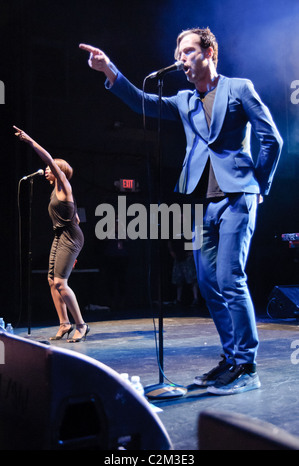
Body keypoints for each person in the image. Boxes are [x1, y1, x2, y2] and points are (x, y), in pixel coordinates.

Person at [79, 26, 283, 394]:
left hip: (238, 196)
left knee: (230, 279)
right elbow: (142, 101)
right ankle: (230, 357)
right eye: (179, 53)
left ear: (209, 53)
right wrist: (110, 70)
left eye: (188, 51)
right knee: (207, 283)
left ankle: (247, 365)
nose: (181, 59)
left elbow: (272, 138)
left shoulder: (239, 89)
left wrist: (259, 186)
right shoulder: (184, 100)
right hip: (205, 203)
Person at [14, 126, 89, 343]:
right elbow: (74, 217)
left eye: (50, 167)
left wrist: (29, 140)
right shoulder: (56, 191)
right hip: (61, 236)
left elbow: (48, 157)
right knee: (50, 281)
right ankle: (64, 323)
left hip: (70, 237)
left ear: (59, 171)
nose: (46, 169)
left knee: (61, 283)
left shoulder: (64, 185)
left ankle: (81, 325)